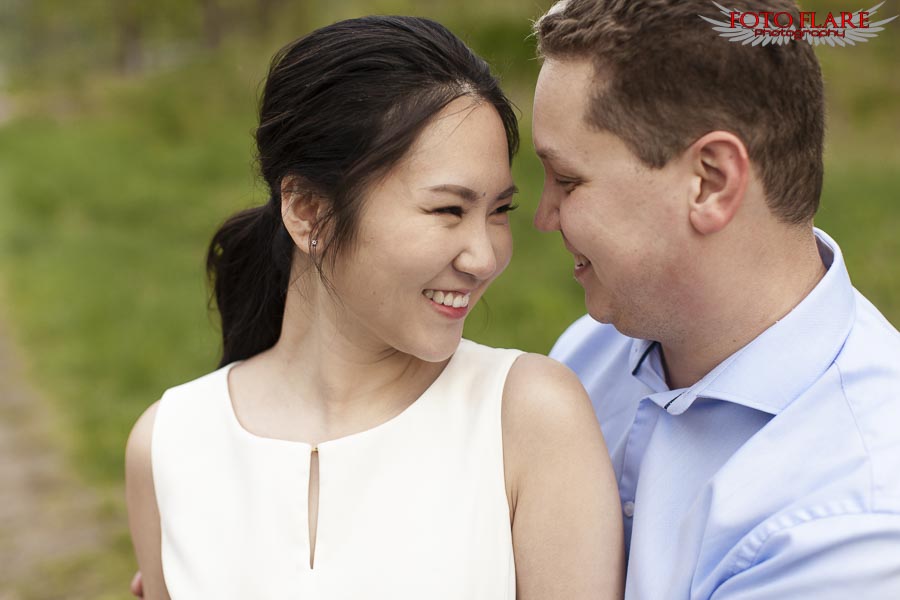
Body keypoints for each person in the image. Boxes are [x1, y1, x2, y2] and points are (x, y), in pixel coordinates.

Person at [125, 15, 625, 600]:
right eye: (447, 210)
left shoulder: (530, 418)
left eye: (498, 211)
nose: (484, 257)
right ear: (308, 211)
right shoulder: (169, 444)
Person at [531, 0, 900, 598]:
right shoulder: (593, 350)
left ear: (711, 181)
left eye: (568, 181)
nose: (544, 217)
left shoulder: (855, 518)